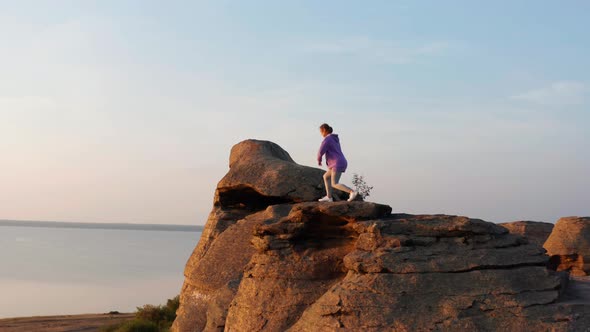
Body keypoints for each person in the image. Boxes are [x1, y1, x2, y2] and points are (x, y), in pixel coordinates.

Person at [317, 123, 358, 202]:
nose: (321, 134)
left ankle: (352, 192)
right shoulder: (334, 139)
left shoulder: (327, 139)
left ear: (324, 130)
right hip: (339, 162)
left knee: (334, 183)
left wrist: (319, 160)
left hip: (337, 163)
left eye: (321, 132)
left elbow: (320, 151)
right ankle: (329, 197)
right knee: (326, 176)